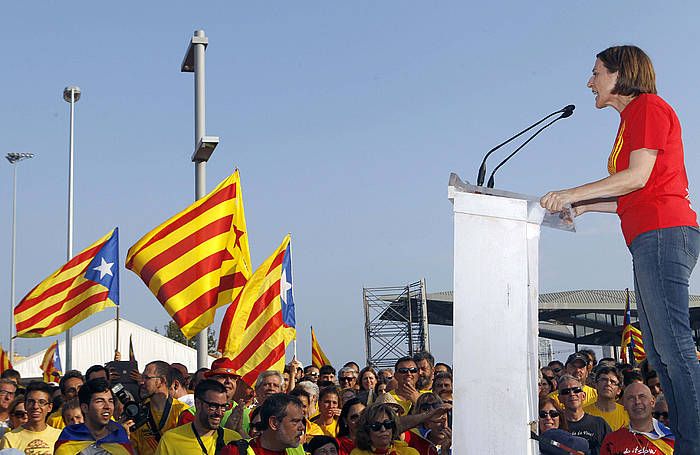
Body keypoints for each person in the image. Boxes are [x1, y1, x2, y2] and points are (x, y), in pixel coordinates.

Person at [540, 44, 700, 452]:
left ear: (620, 74)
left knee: (674, 347)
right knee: (661, 354)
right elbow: (631, 192)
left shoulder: (647, 107)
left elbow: (636, 176)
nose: (589, 81)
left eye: (596, 72)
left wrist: (571, 192)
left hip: (663, 232)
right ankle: (686, 439)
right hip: (650, 234)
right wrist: (582, 204)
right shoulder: (632, 119)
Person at [155, 379, 242, 455]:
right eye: (213, 406)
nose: (219, 412)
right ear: (198, 404)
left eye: (223, 407)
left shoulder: (234, 439)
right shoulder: (170, 440)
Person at [55, 378, 134, 455]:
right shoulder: (69, 436)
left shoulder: (119, 434)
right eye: (100, 401)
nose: (107, 406)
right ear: (85, 408)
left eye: (110, 401)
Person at [130, 361, 189, 455]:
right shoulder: (138, 413)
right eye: (142, 377)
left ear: (161, 381)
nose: (142, 382)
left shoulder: (183, 411)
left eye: (147, 378)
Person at [600, 383, 674, 454]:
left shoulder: (672, 438)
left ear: (652, 402)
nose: (637, 402)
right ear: (624, 405)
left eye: (642, 396)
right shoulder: (612, 441)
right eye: (631, 398)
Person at [221, 393, 305, 455]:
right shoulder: (236, 452)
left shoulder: (297, 451)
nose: (302, 427)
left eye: (301, 421)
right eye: (295, 421)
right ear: (274, 423)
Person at [0, 381, 62, 454]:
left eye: (41, 402)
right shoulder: (10, 438)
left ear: (49, 407)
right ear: (25, 405)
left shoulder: (59, 436)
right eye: (31, 402)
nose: (35, 406)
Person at [557, 375, 611, 455]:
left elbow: (612, 449)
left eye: (576, 390)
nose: (572, 394)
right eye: (566, 392)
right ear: (560, 398)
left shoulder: (599, 423)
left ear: (583, 396)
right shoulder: (557, 425)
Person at [350, 403, 418, 455]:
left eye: (387, 424)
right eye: (376, 426)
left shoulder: (409, 453)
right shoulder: (357, 453)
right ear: (366, 430)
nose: (383, 429)